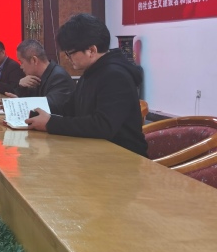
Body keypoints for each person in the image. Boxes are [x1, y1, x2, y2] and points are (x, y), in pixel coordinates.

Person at [26, 13, 148, 157]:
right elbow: (70, 107)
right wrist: (28, 109)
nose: (68, 58)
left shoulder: (115, 76)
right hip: (96, 151)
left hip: (123, 157)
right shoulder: (92, 71)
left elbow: (102, 126)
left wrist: (51, 123)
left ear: (92, 50)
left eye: (70, 53)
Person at [4, 39, 75, 110]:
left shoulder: (59, 77)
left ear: (34, 60)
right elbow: (29, 99)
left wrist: (19, 104)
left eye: (21, 62)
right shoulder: (34, 77)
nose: (21, 67)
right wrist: (21, 87)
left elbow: (50, 106)